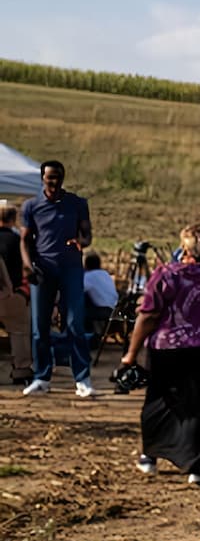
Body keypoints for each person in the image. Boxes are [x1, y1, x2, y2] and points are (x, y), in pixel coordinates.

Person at [120, 223, 200, 485]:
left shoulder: (167, 275)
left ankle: (150, 457)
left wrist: (131, 353)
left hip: (168, 349)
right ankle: (198, 466)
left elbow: (149, 315)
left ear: (183, 246)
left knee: (161, 402)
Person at [19, 160, 95, 397]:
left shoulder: (78, 203)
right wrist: (26, 266)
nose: (54, 181)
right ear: (42, 178)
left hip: (71, 268)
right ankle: (41, 377)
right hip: (43, 270)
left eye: (58, 177)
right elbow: (24, 240)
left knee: (74, 324)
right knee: (40, 327)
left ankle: (82, 379)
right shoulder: (31, 206)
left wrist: (81, 242)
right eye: (50, 177)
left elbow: (87, 235)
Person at [0, 205, 30, 384]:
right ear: (13, 220)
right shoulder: (17, 241)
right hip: (13, 296)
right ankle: (21, 371)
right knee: (19, 333)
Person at [81, 251, 117, 345]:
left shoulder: (88, 276)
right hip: (114, 309)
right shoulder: (105, 274)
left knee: (80, 310)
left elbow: (79, 290)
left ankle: (89, 337)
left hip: (102, 311)